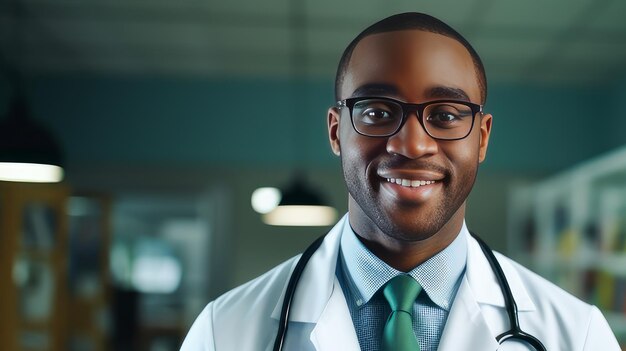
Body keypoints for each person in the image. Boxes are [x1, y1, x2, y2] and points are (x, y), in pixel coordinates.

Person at [181, 12, 620, 351]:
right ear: (336, 131)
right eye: (376, 111)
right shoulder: (225, 331)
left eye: (446, 115)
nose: (411, 144)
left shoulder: (576, 335)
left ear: (482, 138)